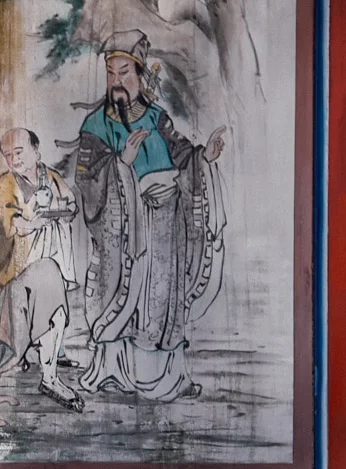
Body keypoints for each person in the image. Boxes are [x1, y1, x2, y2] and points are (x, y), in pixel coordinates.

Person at [66, 31, 227, 402]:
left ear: (140, 76)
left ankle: (166, 376)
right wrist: (120, 165)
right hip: (126, 232)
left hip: (166, 225)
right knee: (126, 296)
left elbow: (183, 155)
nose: (117, 81)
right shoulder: (96, 126)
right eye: (111, 73)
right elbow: (87, 180)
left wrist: (205, 158)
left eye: (125, 72)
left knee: (162, 301)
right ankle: (114, 371)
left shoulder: (157, 118)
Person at [0, 127, 83, 411]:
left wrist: (63, 209)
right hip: (24, 262)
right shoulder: (6, 182)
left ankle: (50, 363)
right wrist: (32, 223)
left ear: (36, 150)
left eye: (19, 152)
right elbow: (10, 217)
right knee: (49, 309)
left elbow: (70, 202)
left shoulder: (50, 175)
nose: (14, 159)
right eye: (8, 155)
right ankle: (50, 376)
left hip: (53, 254)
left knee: (52, 306)